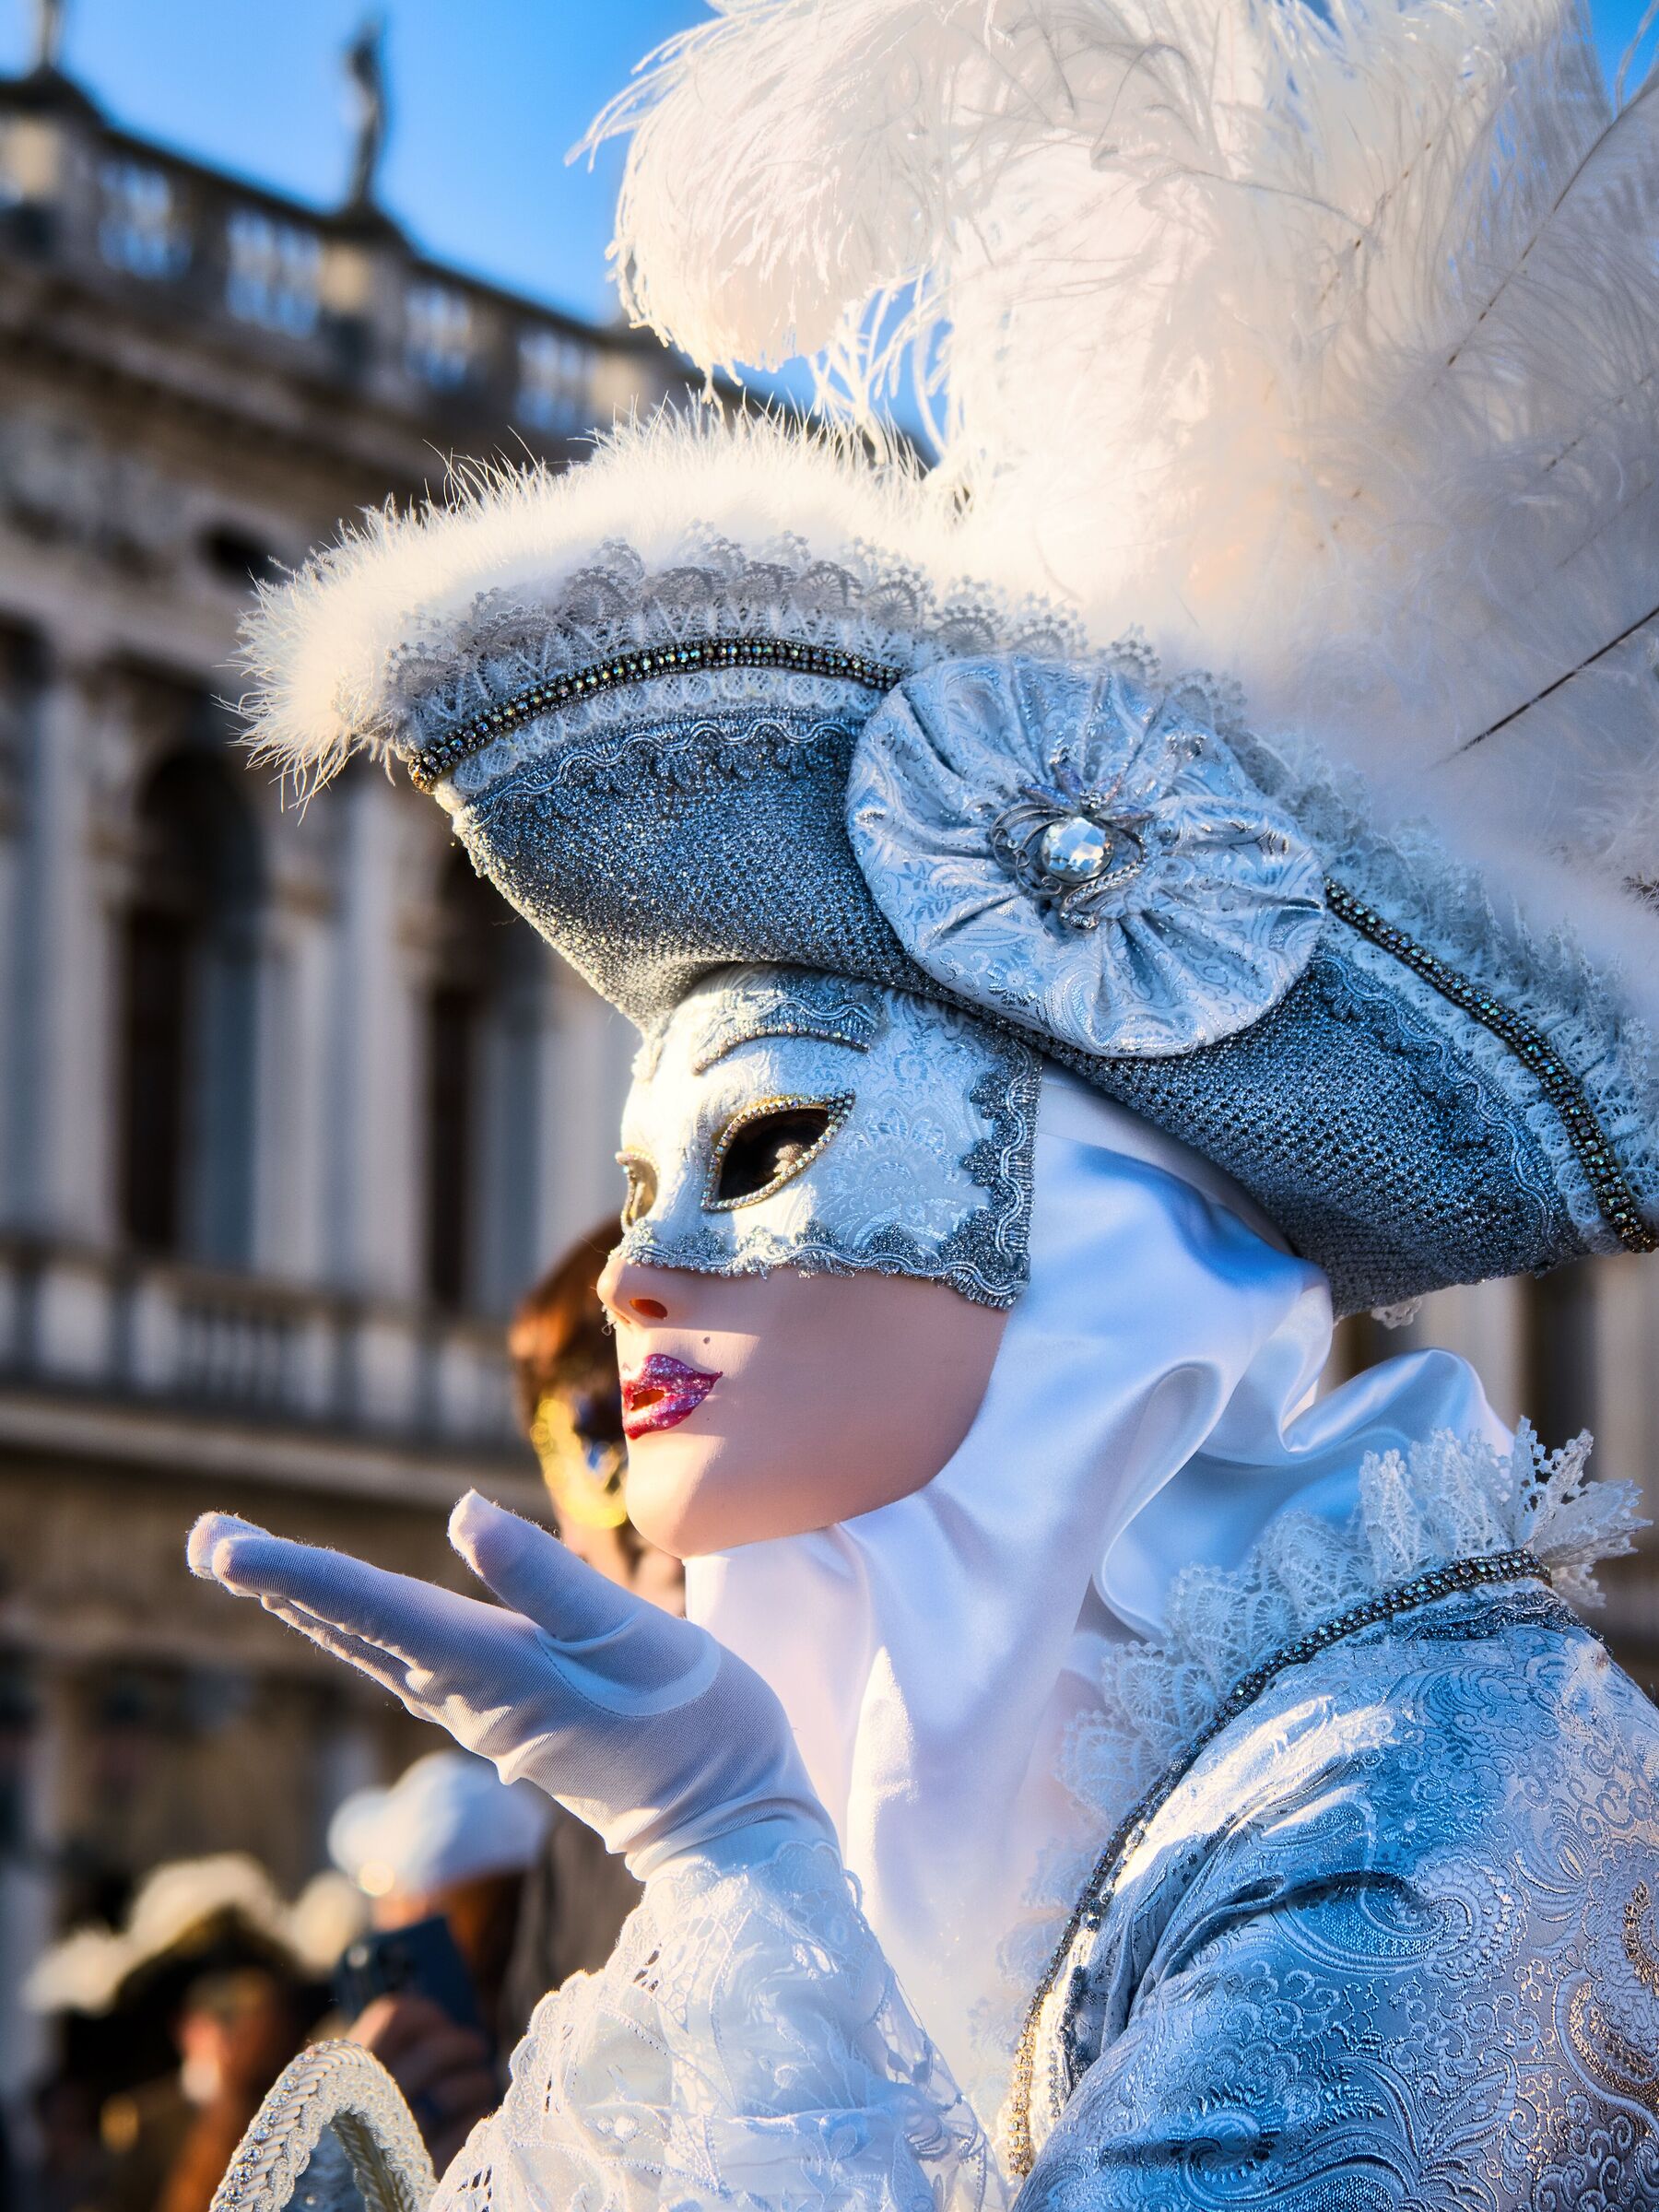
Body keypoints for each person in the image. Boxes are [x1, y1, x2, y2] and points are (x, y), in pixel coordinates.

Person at [191, 1, 1659, 2206]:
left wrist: (745, 1865)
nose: (644, 1276)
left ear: (1086, 1228)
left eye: (773, 1153)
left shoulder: (1429, 1780)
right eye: (639, 1180)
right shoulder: (891, 1747)